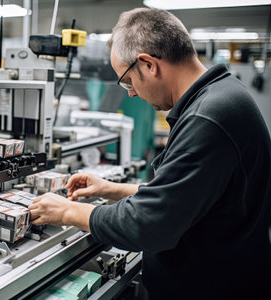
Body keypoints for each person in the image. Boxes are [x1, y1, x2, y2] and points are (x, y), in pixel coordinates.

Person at [28, 7, 271, 300]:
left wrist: (69, 211)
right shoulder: (222, 96)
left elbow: (148, 225)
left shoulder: (208, 117)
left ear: (148, 64)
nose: (131, 93)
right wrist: (114, 189)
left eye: (128, 81)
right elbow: (191, 195)